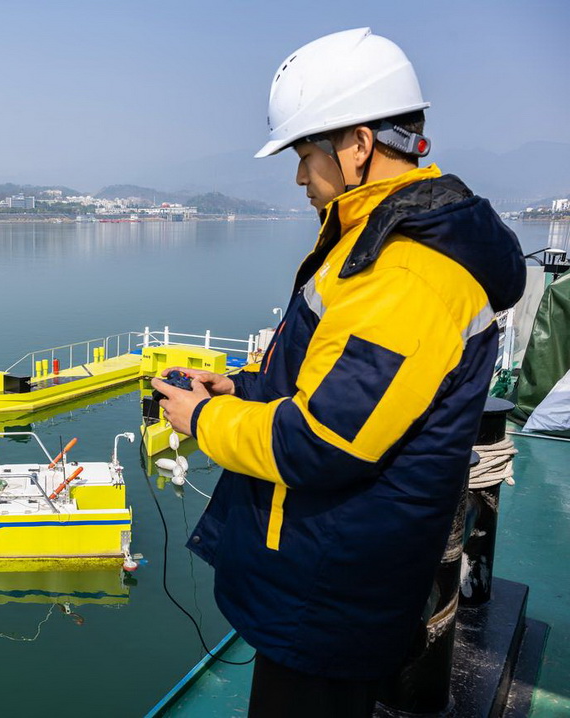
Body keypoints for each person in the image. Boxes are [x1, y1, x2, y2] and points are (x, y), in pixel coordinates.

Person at [153, 27, 526, 718]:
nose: (300, 176)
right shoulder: (371, 238)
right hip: (326, 568)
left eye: (304, 154)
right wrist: (243, 387)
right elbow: (327, 374)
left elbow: (323, 441)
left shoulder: (410, 271)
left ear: (357, 145)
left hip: (332, 587)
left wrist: (203, 418)